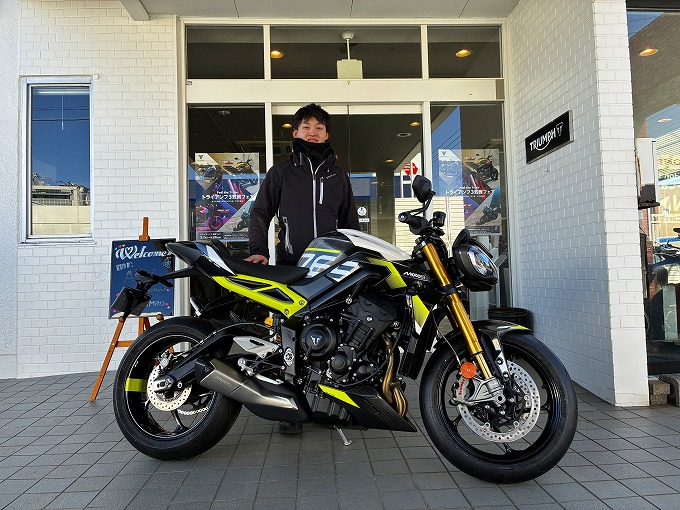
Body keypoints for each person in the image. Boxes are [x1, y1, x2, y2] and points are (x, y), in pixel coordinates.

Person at [245, 103, 360, 434]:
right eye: (306, 126)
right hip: (292, 266)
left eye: (319, 127)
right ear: (295, 132)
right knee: (290, 336)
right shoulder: (281, 172)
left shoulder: (338, 176)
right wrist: (258, 252)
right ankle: (289, 409)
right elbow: (260, 214)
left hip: (331, 268)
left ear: (327, 134)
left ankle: (332, 405)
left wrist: (354, 258)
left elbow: (350, 224)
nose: (313, 132)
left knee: (332, 334)